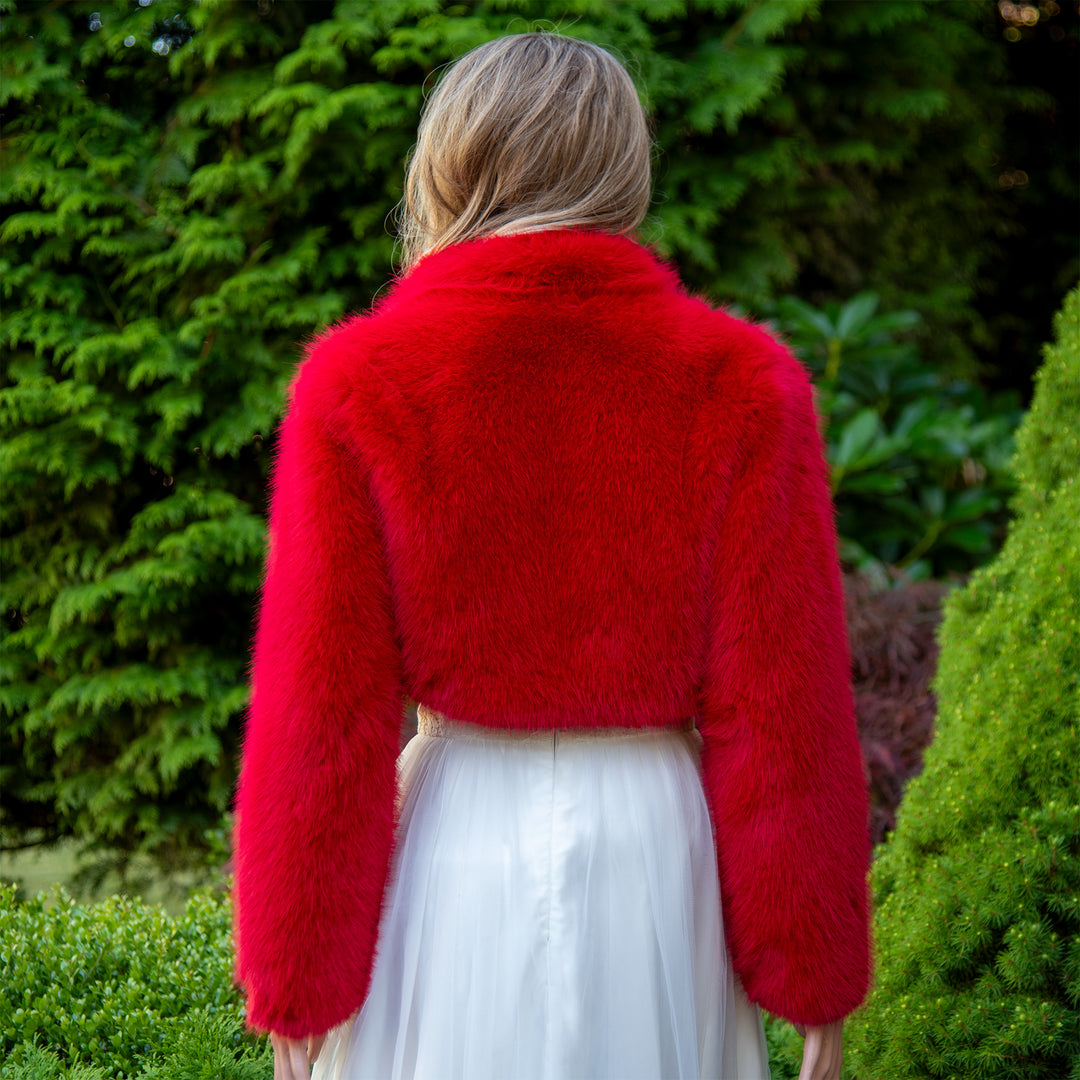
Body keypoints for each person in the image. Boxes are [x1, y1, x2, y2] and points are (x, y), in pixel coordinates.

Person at [233, 31, 871, 1080]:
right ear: (624, 166)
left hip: (456, 846)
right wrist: (816, 969)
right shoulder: (741, 383)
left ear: (449, 163)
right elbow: (782, 702)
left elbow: (325, 709)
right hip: (657, 850)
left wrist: (295, 977)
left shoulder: (359, 382)